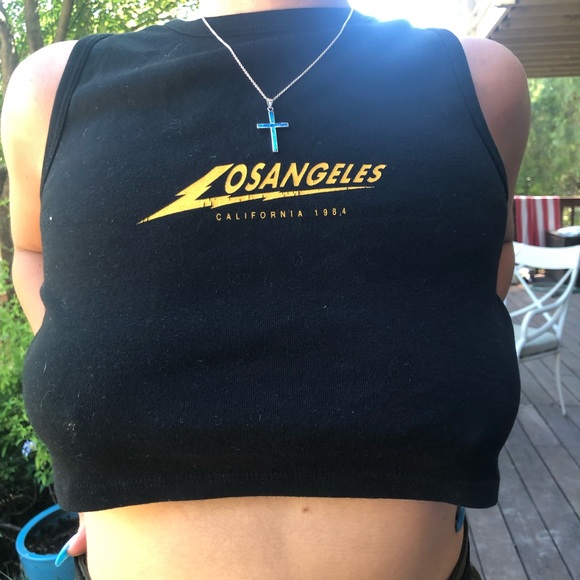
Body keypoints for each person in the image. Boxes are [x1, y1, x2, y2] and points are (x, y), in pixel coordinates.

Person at [3, 0, 529, 578]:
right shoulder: (53, 91)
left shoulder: (479, 81)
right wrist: (99, 451)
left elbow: (485, 257)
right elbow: (34, 252)